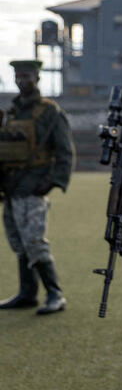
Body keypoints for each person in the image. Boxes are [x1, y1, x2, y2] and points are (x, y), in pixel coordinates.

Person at [0, 59, 74, 314]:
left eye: (27, 76)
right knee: (19, 241)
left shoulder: (50, 112)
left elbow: (65, 152)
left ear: (37, 78)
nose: (22, 81)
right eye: (18, 76)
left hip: (33, 186)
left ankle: (55, 294)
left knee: (33, 240)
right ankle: (27, 293)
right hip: (10, 187)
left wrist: (53, 182)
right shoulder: (11, 113)